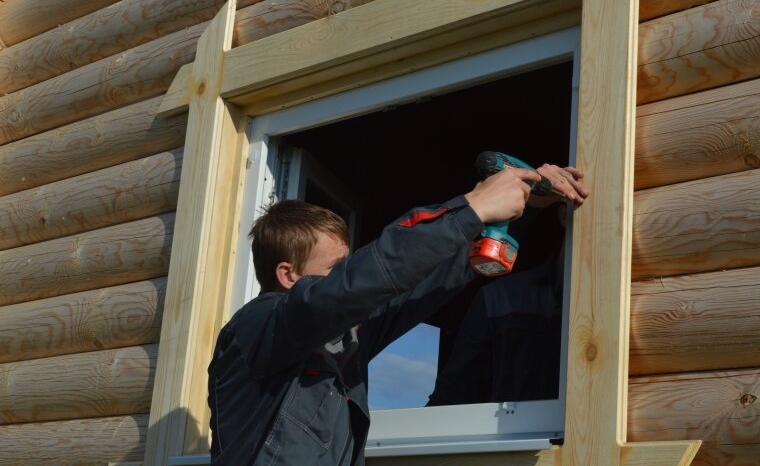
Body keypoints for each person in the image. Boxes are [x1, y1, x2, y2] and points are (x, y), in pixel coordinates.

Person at [207, 164, 588, 466]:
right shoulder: (256, 327)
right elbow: (360, 282)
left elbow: (412, 282)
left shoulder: (338, 338)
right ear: (288, 275)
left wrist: (513, 207)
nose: (347, 276)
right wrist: (470, 207)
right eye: (336, 268)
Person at [427, 202, 569, 406]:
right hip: (509, 434)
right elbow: (455, 391)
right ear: (564, 214)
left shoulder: (621, 309)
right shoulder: (501, 297)